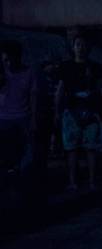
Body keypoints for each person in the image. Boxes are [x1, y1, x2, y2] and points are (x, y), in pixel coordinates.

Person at [55, 35, 102, 191]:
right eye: (78, 44)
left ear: (88, 48)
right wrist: (58, 110)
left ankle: (92, 181)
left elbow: (100, 89)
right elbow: (60, 89)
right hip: (70, 111)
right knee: (71, 148)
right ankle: (72, 181)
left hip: (90, 111)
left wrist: (96, 105)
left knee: (91, 148)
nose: (80, 48)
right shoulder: (66, 66)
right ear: (73, 47)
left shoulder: (95, 67)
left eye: (83, 45)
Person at [0, 41, 37, 192]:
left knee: (26, 155)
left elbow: (33, 96)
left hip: (23, 117)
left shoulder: (29, 72)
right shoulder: (2, 72)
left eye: (10, 59)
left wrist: (34, 119)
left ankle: (22, 185)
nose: (7, 63)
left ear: (18, 57)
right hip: (3, 118)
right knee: (5, 155)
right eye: (4, 60)